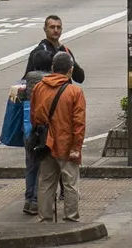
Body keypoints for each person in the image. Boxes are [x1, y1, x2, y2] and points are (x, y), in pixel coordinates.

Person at [21, 15, 85, 215]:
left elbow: (80, 76)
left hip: (60, 120)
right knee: (41, 167)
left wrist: (72, 62)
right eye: (52, 27)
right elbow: (29, 87)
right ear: (45, 29)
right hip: (46, 124)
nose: (55, 30)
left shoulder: (65, 50)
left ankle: (48, 210)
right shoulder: (38, 53)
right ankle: (33, 201)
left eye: (58, 27)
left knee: (50, 173)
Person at [31, 50, 86, 222]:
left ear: (53, 68)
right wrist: (76, 147)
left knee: (46, 182)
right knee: (70, 184)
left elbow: (34, 116)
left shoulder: (39, 87)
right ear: (70, 70)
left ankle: (45, 218)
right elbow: (79, 123)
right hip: (67, 144)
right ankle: (70, 218)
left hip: (45, 144)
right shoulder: (75, 92)